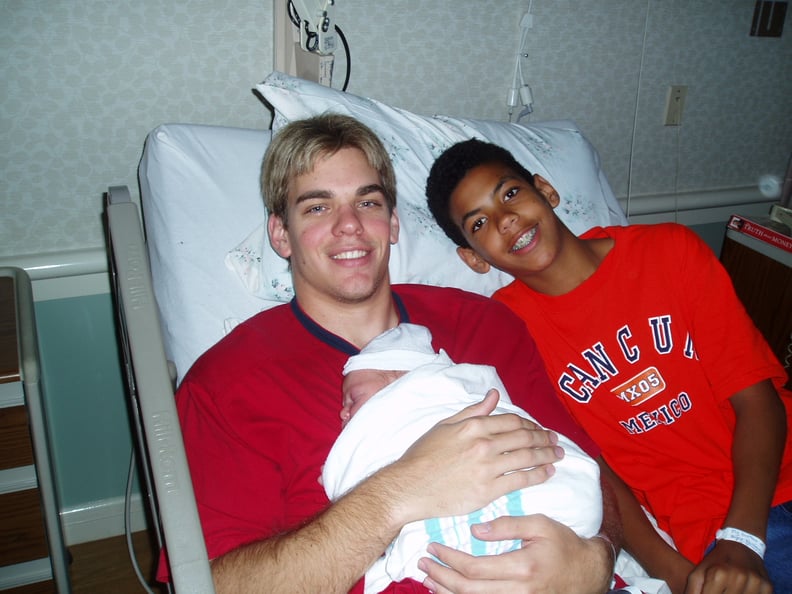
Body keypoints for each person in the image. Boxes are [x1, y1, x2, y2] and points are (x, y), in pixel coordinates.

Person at [169, 114, 625, 594]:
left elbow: (588, 469)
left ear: (391, 224)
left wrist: (597, 559)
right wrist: (400, 491)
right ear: (280, 235)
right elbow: (213, 585)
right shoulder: (226, 385)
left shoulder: (484, 326)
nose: (349, 226)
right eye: (317, 208)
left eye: (367, 202)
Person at [425, 137, 792, 594]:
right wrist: (673, 574)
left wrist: (742, 538)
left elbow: (758, 396)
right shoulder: (507, 335)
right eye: (479, 222)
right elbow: (597, 471)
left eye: (511, 193)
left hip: (767, 486)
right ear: (474, 258)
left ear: (546, 190)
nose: (506, 220)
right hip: (710, 527)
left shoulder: (670, 253)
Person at [323, 322, 603, 594]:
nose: (343, 413)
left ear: (402, 377)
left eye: (352, 397)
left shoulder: (473, 340)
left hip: (559, 533)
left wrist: (596, 562)